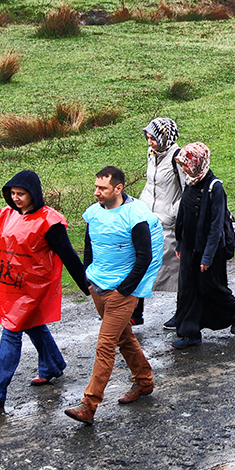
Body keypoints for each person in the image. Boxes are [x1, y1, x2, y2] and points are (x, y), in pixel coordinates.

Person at [0, 170, 88, 408]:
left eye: (21, 193)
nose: (16, 198)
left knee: (12, 332)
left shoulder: (50, 221)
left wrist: (86, 286)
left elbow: (68, 255)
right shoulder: (7, 216)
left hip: (36, 288)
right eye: (13, 193)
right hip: (10, 286)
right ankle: (52, 365)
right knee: (34, 326)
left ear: (34, 194)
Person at [66, 166, 162, 424]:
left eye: (102, 188)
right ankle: (144, 382)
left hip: (122, 291)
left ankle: (89, 403)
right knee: (124, 338)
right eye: (96, 187)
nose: (96, 192)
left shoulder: (135, 216)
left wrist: (125, 290)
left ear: (118, 188)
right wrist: (87, 277)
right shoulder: (94, 214)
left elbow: (145, 257)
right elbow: (89, 246)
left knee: (105, 344)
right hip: (98, 287)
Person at [170, 142, 235, 348]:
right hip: (189, 247)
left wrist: (207, 256)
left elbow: (215, 226)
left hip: (210, 250)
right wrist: (180, 243)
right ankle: (190, 333)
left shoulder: (215, 188)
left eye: (187, 164)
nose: (184, 168)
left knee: (211, 288)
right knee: (187, 289)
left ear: (198, 163)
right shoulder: (190, 182)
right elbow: (183, 215)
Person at [137, 118, 182, 328]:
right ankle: (135, 312)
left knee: (176, 269)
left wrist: (173, 212)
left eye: (153, 138)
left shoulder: (178, 158)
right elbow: (150, 185)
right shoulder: (152, 155)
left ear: (165, 137)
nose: (150, 143)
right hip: (150, 219)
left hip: (169, 223)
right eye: (148, 138)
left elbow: (186, 189)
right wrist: (140, 206)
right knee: (141, 263)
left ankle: (182, 313)